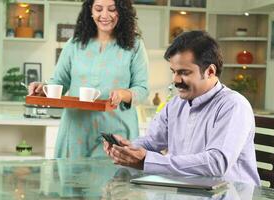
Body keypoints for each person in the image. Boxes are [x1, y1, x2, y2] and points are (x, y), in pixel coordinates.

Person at [104, 31, 261, 186]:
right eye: (173, 72)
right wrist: (127, 149)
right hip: (187, 193)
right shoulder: (175, 104)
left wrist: (146, 160)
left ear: (210, 71)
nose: (175, 80)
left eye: (184, 72)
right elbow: (152, 141)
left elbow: (216, 163)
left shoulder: (234, 105)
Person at [28, 0, 149, 158]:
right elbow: (58, 82)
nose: (104, 15)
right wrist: (43, 88)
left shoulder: (135, 46)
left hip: (115, 133)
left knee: (115, 181)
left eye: (112, 9)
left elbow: (142, 89)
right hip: (76, 132)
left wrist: (123, 94)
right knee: (73, 180)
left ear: (123, 11)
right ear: (90, 11)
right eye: (98, 9)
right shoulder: (75, 44)